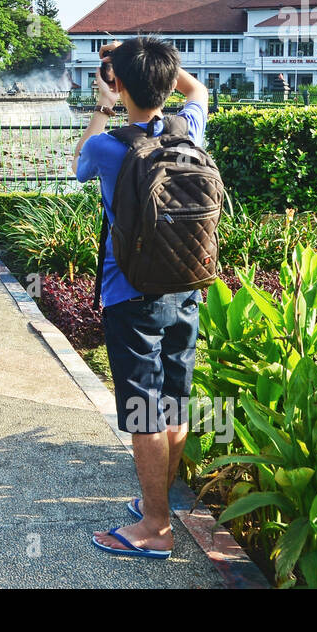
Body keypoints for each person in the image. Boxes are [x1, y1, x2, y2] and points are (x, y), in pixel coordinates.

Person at [70, 35, 210, 561]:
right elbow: (196, 89)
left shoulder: (110, 146)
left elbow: (78, 164)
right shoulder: (188, 130)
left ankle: (155, 527)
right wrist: (152, 62)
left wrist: (105, 104)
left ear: (119, 83)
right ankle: (158, 504)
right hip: (185, 286)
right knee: (173, 403)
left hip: (129, 293)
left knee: (142, 412)